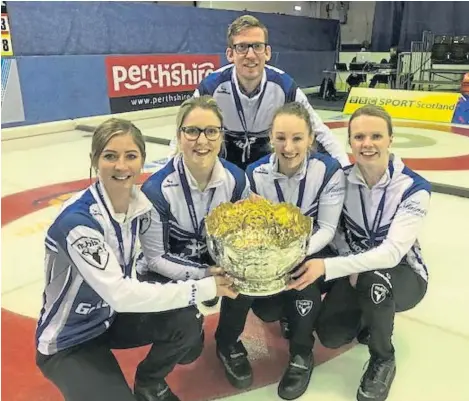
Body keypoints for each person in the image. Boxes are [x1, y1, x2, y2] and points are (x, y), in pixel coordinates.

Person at [35, 118, 238, 401]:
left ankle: (150, 383)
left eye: (131, 156)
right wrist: (206, 288)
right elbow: (121, 294)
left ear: (143, 161)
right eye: (110, 156)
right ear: (94, 160)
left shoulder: (140, 207)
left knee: (186, 320)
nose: (121, 166)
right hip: (70, 340)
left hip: (110, 320)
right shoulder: (79, 223)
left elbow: (155, 258)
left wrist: (208, 273)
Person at [288, 105, 430, 401]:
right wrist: (346, 264)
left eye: (376, 136)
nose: (367, 144)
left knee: (374, 281)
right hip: (353, 270)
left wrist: (334, 268)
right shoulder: (339, 180)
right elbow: (335, 233)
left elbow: (392, 254)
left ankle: (382, 358)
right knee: (330, 335)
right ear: (350, 142)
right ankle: (369, 316)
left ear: (390, 139)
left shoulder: (413, 188)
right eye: (359, 137)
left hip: (403, 275)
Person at [215, 102, 346, 400]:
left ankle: (301, 353)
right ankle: (227, 342)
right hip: (265, 253)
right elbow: (249, 224)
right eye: (281, 138)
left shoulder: (329, 172)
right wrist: (265, 259)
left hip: (308, 251)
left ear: (311, 139)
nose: (288, 147)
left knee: (304, 282)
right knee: (239, 276)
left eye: (297, 138)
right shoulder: (255, 173)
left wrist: (292, 255)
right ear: (270, 138)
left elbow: (326, 229)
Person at [192, 14, 349, 170]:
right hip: (225, 171)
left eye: (257, 46)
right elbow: (184, 133)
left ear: (267, 52)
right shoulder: (211, 87)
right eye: (242, 47)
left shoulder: (284, 85)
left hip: (267, 171)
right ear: (230, 54)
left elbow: (319, 131)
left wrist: (345, 169)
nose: (251, 55)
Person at [137, 95, 250, 308]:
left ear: (221, 136)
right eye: (192, 131)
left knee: (244, 279)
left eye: (211, 131)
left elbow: (243, 240)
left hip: (214, 259)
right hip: (164, 269)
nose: (202, 141)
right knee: (185, 323)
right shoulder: (156, 190)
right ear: (179, 136)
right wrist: (205, 275)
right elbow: (156, 259)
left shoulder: (236, 179)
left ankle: (228, 339)